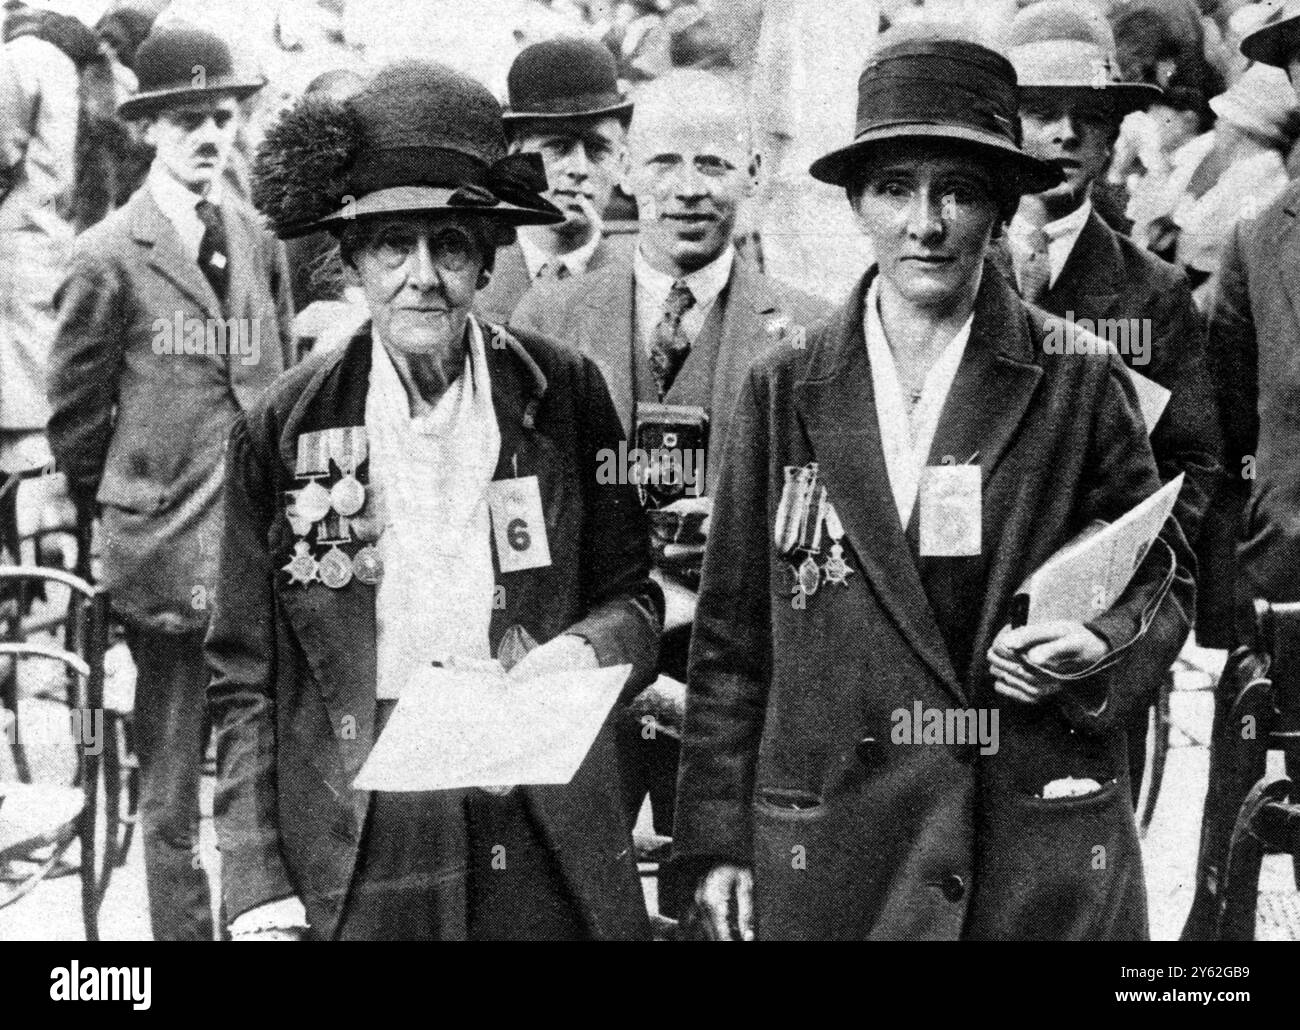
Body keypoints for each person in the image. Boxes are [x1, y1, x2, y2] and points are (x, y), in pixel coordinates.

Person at [671, 24, 1195, 941]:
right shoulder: (783, 390)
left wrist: (1096, 642)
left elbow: (1162, 579)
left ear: (998, 207)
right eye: (894, 189)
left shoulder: (1076, 378)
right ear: (856, 204)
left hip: (1026, 840)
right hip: (835, 845)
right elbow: (730, 642)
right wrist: (716, 842)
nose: (926, 223)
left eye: (957, 191)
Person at [207, 59, 661, 941]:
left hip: (537, 821)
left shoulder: (563, 395)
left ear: (486, 259)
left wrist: (576, 654)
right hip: (365, 821)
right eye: (391, 245)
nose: (422, 276)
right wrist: (258, 878)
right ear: (353, 262)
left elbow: (636, 599)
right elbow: (243, 678)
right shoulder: (283, 429)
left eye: (449, 244)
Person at [513, 68, 826, 845]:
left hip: (739, 681)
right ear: (625, 170)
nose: (688, 189)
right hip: (588, 669)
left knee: (726, 894)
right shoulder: (547, 316)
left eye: (715, 163)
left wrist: (744, 521)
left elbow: (831, 513)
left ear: (754, 174)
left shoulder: (815, 334)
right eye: (663, 162)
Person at [46, 22, 294, 941]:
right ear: (150, 128)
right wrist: (128, 517)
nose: (207, 137)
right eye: (186, 118)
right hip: (166, 563)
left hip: (262, 551)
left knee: (259, 769)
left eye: (221, 117)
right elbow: (77, 421)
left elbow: (280, 383)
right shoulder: (107, 254)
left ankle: (263, 921)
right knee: (170, 791)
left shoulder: (258, 240)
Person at [1002, 0, 1222, 797]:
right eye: (1040, 112)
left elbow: (1191, 469)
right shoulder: (952, 272)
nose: (1064, 136)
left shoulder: (1151, 291)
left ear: (1114, 133)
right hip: (962, 631)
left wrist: (1107, 603)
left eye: (1089, 118)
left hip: (1092, 646)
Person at [1184, 0, 1300, 938]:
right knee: (1244, 889)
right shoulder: (1261, 242)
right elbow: (1222, 440)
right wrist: (1234, 609)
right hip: (1287, 615)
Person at [476, 35, 636, 325]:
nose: (579, 168)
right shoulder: (475, 276)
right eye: (558, 148)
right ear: (516, 158)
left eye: (597, 149)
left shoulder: (642, 283)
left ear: (622, 164)